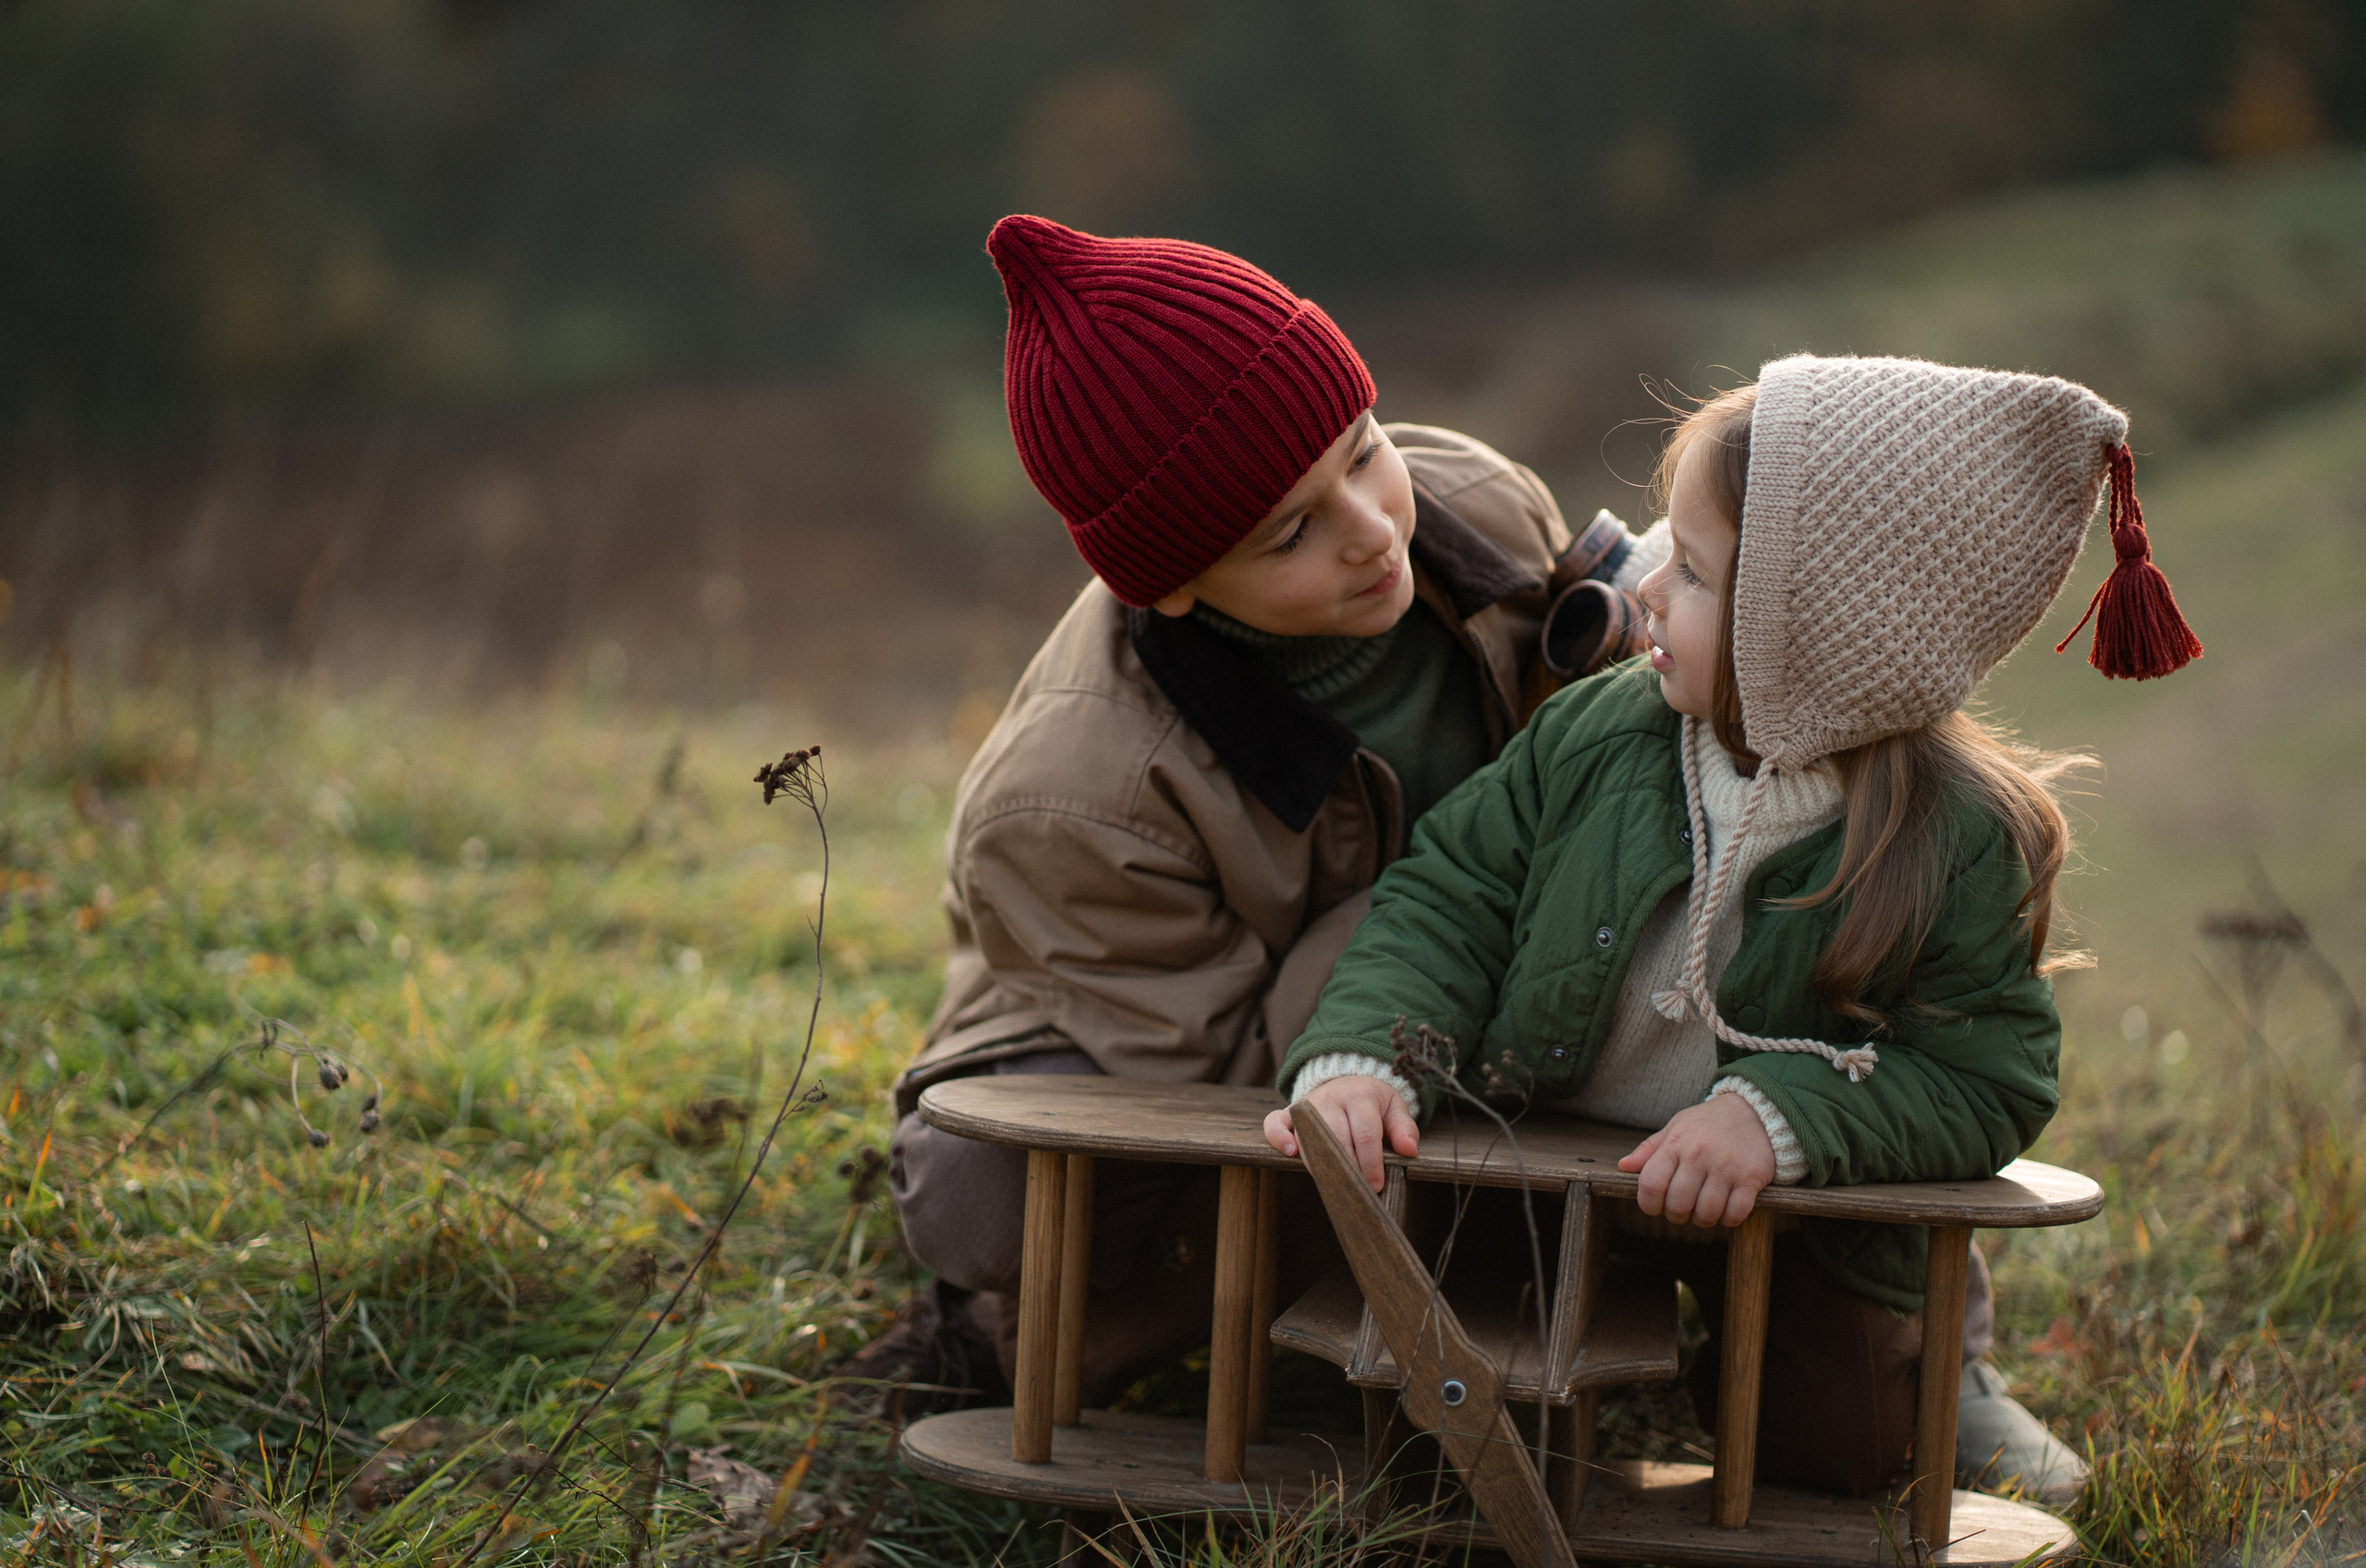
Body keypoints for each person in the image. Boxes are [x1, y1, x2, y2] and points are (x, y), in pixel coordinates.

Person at [1265, 354, 2200, 1502]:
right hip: (1543, 1165)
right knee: (1465, 1439)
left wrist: (1780, 1120)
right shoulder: (1601, 733)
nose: (1646, 586)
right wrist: (1368, 1053)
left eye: (1694, 572)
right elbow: (1449, 893)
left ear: (1822, 637)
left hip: (1803, 1213)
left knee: (1837, 1457)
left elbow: (1986, 1076)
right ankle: (1593, 1395)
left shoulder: (1947, 835)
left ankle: (1936, 1376)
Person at [842, 214, 1667, 1413]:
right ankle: (1033, 1332)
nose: (1376, 530)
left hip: (1479, 954)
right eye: (1292, 530)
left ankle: (1892, 1342)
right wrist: (1464, 912)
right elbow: (1230, 1072)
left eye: (1364, 449)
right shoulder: (1070, 795)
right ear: (1173, 585)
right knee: (989, 1194)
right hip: (1176, 1022)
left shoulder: (1479, 501)